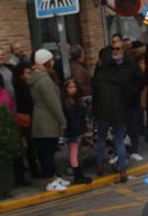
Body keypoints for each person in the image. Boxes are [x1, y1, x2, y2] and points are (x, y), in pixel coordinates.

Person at [92, 34, 141, 182]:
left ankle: (100, 166)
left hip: (103, 113)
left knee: (101, 139)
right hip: (119, 111)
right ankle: (123, 170)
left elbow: (95, 96)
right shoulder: (121, 77)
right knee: (119, 140)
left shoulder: (99, 77)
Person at [27, 48, 68, 192]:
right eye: (51, 60)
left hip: (40, 119)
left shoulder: (36, 77)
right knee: (48, 152)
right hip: (47, 120)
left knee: (47, 150)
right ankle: (51, 179)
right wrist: (62, 120)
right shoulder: (44, 79)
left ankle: (54, 177)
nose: (53, 62)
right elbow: (53, 102)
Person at [12, 61, 39, 179]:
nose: (30, 75)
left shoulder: (23, 86)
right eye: (28, 73)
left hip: (28, 118)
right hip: (27, 119)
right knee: (31, 147)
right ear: (21, 75)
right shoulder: (23, 88)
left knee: (31, 147)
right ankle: (34, 170)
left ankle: (35, 169)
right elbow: (29, 102)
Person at [62, 78, 91, 184]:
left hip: (75, 130)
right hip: (73, 131)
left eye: (74, 87)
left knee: (74, 153)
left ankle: (79, 174)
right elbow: (73, 119)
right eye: (70, 87)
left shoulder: (74, 101)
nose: (73, 90)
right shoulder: (68, 103)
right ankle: (78, 175)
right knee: (74, 153)